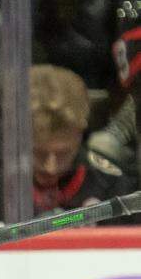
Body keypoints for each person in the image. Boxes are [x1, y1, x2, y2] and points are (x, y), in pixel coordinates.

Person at [30, 64, 135, 214]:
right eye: (38, 153)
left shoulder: (114, 188)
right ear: (13, 135)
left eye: (63, 153)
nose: (50, 168)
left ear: (80, 134)